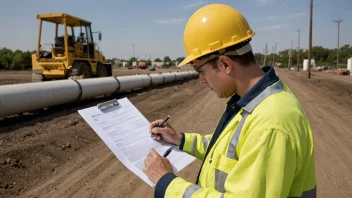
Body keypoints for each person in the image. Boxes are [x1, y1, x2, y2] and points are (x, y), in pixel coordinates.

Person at [143, 4, 316, 198]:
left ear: (225, 63)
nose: (201, 80)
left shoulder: (270, 122)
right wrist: (180, 140)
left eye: (200, 71)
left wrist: (168, 183)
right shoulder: (253, 102)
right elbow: (226, 150)